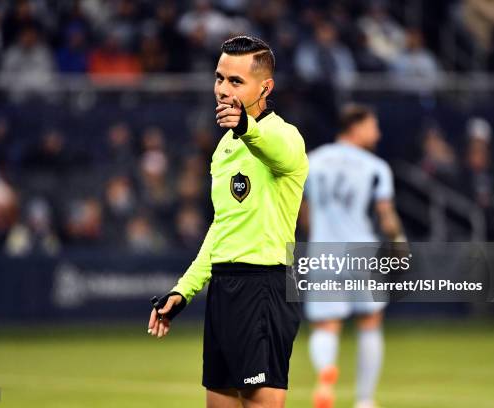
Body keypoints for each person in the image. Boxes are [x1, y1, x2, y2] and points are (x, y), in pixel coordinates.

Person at [147, 35, 309, 408]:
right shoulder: (224, 148)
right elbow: (222, 228)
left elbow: (277, 151)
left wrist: (245, 127)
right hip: (224, 289)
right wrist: (182, 291)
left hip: (265, 288)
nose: (222, 89)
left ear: (265, 87)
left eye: (236, 82)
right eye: (220, 78)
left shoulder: (286, 137)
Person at [303, 104, 405, 408]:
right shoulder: (375, 167)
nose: (378, 133)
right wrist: (399, 242)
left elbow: (302, 210)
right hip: (363, 251)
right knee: (370, 321)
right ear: (356, 127)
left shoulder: (312, 161)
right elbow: (385, 214)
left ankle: (325, 372)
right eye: (373, 126)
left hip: (323, 251)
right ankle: (364, 400)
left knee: (326, 325)